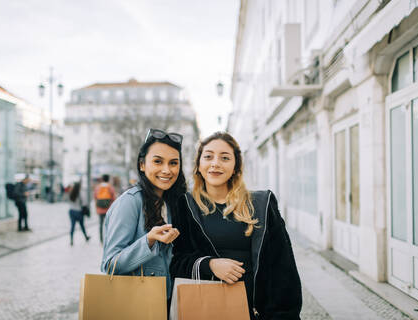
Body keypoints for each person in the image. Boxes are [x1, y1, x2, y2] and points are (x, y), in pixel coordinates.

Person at [170, 132, 302, 319]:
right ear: (199, 165)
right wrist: (210, 265)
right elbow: (176, 262)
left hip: (255, 312)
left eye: (225, 158)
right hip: (205, 309)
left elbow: (283, 268)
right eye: (208, 156)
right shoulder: (185, 206)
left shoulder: (261, 204)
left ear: (235, 167)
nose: (215, 163)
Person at [100, 128, 186, 305]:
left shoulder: (169, 201)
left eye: (173, 163)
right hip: (137, 303)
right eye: (157, 161)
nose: (166, 170)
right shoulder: (130, 202)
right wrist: (148, 241)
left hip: (164, 300)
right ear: (142, 164)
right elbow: (110, 264)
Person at [94, 174, 116, 243]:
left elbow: (95, 197)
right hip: (108, 209)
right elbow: (113, 198)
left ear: (102, 179)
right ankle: (108, 239)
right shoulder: (110, 187)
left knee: (100, 224)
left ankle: (101, 240)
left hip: (100, 209)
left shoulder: (98, 187)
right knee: (109, 225)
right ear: (108, 179)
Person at [68, 181, 91, 246]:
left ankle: (71, 240)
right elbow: (84, 203)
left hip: (71, 211)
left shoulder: (71, 193)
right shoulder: (80, 193)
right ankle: (86, 236)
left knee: (72, 226)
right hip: (79, 212)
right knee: (82, 225)